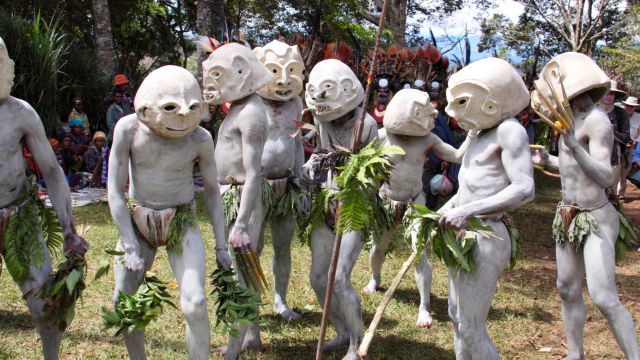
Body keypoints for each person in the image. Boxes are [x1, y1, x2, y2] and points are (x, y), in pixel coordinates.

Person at [108, 65, 230, 360]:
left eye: (191, 109)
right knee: (124, 299)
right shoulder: (128, 128)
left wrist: (221, 244)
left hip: (181, 219)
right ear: (146, 110)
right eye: (171, 108)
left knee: (196, 302)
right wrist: (128, 242)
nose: (182, 117)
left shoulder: (200, 138)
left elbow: (213, 191)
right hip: (139, 221)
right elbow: (114, 189)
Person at [532, 52, 640, 360]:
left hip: (595, 217)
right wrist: (547, 160)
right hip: (568, 216)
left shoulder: (597, 121)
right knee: (566, 288)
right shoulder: (571, 121)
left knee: (603, 297)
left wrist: (574, 146)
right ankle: (575, 354)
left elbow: (604, 174)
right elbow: (572, 167)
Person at [0, 35, 89, 360]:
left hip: (18, 213)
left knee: (45, 305)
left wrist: (68, 229)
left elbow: (52, 172)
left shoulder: (20, 113)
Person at [441, 57, 534, 359]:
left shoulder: (509, 131)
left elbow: (524, 188)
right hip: (463, 235)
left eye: (462, 103)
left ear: (491, 103)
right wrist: (446, 209)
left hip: (488, 234)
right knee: (456, 315)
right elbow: (469, 189)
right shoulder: (480, 135)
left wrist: (468, 211)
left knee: (471, 326)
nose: (453, 114)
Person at [363, 89, 476, 328]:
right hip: (386, 202)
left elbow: (456, 156)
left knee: (420, 253)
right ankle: (375, 277)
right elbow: (361, 163)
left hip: (415, 202)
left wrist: (472, 134)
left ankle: (424, 307)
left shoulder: (428, 139)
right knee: (377, 249)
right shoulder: (382, 136)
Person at [303, 59, 378, 360]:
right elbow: (322, 154)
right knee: (318, 278)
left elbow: (376, 174)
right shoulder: (323, 122)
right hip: (326, 203)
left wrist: (356, 191)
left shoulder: (367, 124)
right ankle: (341, 329)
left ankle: (355, 342)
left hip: (353, 208)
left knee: (340, 277)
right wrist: (311, 166)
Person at [203, 43, 273, 360]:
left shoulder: (252, 113)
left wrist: (243, 223)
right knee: (238, 273)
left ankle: (233, 349)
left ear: (242, 73)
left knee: (244, 274)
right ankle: (250, 338)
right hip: (229, 196)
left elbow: (254, 172)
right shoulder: (237, 109)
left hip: (244, 198)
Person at [253, 40, 306, 321]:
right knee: (254, 246)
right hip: (256, 186)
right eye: (275, 71)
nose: (284, 80)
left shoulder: (296, 103)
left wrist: (299, 179)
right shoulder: (249, 103)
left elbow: (296, 145)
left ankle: (280, 300)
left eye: (291, 71)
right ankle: (251, 302)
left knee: (283, 247)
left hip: (287, 186)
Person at [598, 80, 629, 199]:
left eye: (611, 93)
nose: (608, 96)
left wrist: (611, 131)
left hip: (613, 161)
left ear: (615, 96)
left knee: (610, 195)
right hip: (591, 159)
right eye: (606, 93)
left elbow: (626, 138)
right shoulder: (590, 111)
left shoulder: (621, 113)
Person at [620, 96, 640, 199]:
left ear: (634, 108)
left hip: (632, 146)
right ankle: (614, 193)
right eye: (627, 106)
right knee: (615, 168)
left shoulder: (638, 118)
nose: (629, 108)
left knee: (625, 170)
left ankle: (621, 193)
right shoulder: (619, 114)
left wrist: (636, 141)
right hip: (618, 144)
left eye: (631, 107)